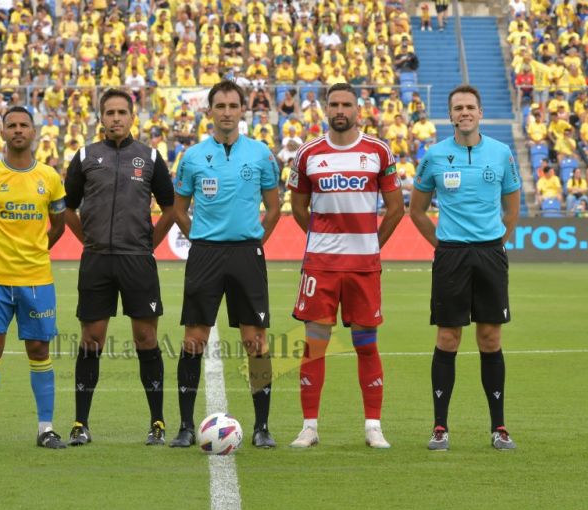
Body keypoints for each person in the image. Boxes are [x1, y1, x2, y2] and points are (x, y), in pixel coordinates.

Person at [287, 82, 404, 449]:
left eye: (347, 104)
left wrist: (369, 245)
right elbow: (299, 207)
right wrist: (323, 241)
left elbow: (396, 208)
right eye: (334, 104)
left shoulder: (378, 152)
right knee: (315, 345)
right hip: (320, 267)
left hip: (363, 268)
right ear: (325, 109)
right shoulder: (308, 154)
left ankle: (373, 426)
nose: (340, 110)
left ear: (358, 109)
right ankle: (309, 426)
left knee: (366, 344)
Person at [409, 85, 521, 451]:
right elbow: (417, 210)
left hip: (490, 254)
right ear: (451, 115)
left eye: (470, 107)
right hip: (452, 256)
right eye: (458, 108)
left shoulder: (502, 153)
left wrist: (500, 241)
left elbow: (512, 202)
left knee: (490, 338)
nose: (464, 113)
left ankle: (499, 427)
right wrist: (442, 246)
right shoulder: (435, 155)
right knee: (448, 338)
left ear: (481, 112)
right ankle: (440, 427)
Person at [170, 80, 280, 449]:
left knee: (255, 341)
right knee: (193, 340)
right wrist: (199, 237)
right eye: (221, 105)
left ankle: (262, 427)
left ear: (243, 110)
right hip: (205, 255)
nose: (227, 111)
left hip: (247, 253)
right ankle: (185, 426)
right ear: (210, 111)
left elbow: (275, 206)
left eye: (234, 105)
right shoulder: (193, 157)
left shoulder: (261, 154)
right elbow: (178, 209)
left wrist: (255, 241)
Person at [64, 88, 175, 446]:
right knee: (91, 339)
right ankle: (81, 423)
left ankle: (157, 423)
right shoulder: (84, 156)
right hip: (96, 259)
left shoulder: (151, 157)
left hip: (137, 261)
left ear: (132, 117)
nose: (115, 118)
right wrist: (89, 240)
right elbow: (67, 207)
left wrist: (147, 246)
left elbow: (170, 208)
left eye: (121, 112)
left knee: (146, 338)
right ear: (101, 117)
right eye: (109, 112)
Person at [0, 106, 67, 450]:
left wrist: (36, 251)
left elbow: (59, 225)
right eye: (12, 125)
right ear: (3, 132)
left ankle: (46, 428)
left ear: (34, 132)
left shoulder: (50, 177)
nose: (18, 130)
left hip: (37, 278)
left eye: (24, 125)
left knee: (39, 349)